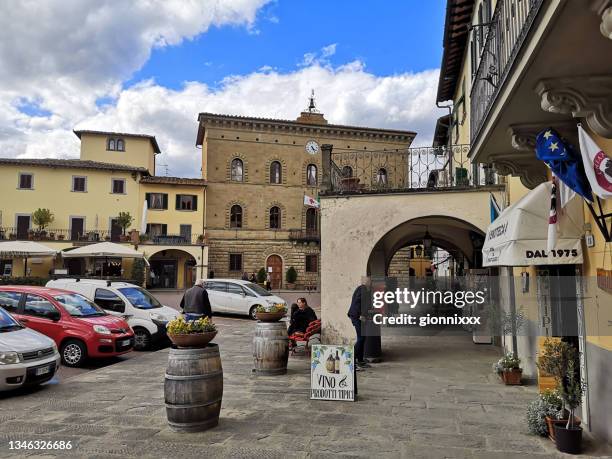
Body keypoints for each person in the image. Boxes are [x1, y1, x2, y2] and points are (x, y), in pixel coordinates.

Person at [348, 280, 371, 369]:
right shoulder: (364, 290)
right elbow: (361, 303)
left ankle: (360, 360)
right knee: (361, 338)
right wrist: (361, 314)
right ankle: (351, 360)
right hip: (357, 316)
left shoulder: (361, 288)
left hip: (356, 315)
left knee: (362, 338)